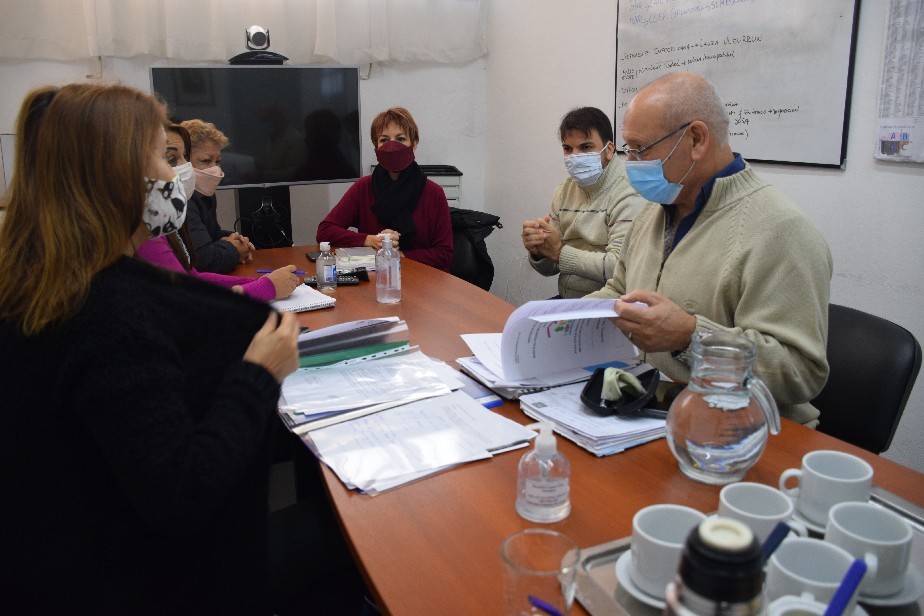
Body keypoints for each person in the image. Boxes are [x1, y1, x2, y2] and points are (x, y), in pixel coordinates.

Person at [0, 83, 300, 613]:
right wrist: (258, 373)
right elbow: (183, 493)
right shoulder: (111, 316)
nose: (174, 178)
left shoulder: (40, 284)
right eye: (163, 159)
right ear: (117, 176)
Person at [586, 71, 833, 426]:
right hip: (655, 412)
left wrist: (690, 336)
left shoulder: (782, 231)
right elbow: (619, 291)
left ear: (696, 139)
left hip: (740, 437)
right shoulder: (654, 214)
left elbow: (800, 371)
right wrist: (554, 324)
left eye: (640, 150)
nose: (632, 164)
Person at [138, 124, 301, 302]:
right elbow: (186, 297)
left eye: (184, 158)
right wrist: (265, 287)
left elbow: (192, 276)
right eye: (171, 159)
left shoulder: (164, 217)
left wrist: (260, 281)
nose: (185, 168)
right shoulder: (144, 231)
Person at [522, 107, 649, 298]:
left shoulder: (629, 192)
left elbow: (620, 266)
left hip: (610, 309)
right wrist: (539, 250)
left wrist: (559, 251)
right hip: (568, 302)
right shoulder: (564, 191)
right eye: (568, 148)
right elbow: (552, 268)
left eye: (586, 147)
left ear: (610, 149)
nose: (575, 156)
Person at [316, 107, 453, 271]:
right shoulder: (363, 188)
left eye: (401, 139)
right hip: (376, 279)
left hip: (423, 279)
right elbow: (325, 231)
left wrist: (399, 256)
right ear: (376, 146)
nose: (392, 146)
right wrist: (369, 240)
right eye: (384, 140)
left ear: (414, 144)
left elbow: (445, 253)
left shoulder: (433, 193)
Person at [181, 118, 255, 273]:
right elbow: (205, 260)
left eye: (218, 161)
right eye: (206, 161)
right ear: (184, 161)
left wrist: (236, 239)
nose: (214, 169)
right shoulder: (183, 199)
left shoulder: (205, 193)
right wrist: (235, 250)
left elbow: (211, 234)